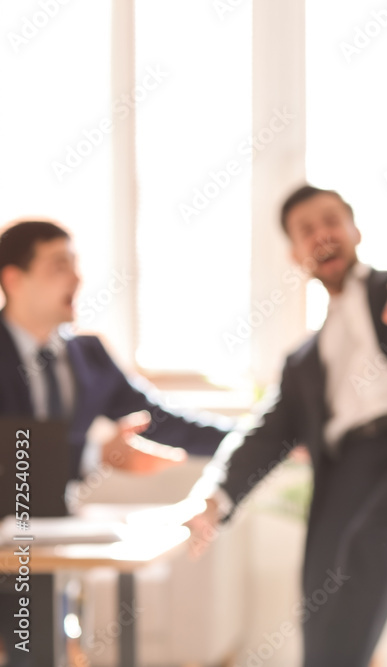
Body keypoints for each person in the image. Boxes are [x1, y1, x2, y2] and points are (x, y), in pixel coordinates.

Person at [185, 185, 387, 667]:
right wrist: (214, 500)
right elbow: (264, 434)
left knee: (375, 541)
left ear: (354, 230)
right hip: (349, 470)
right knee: (322, 594)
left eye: (331, 221)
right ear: (295, 253)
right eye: (306, 231)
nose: (322, 235)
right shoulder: (302, 363)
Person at [0, 220, 230, 666]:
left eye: (76, 264)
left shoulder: (88, 355)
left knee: (44, 651)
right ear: (13, 278)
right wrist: (95, 454)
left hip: (49, 534)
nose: (77, 278)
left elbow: (161, 421)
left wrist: (254, 439)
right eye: (58, 266)